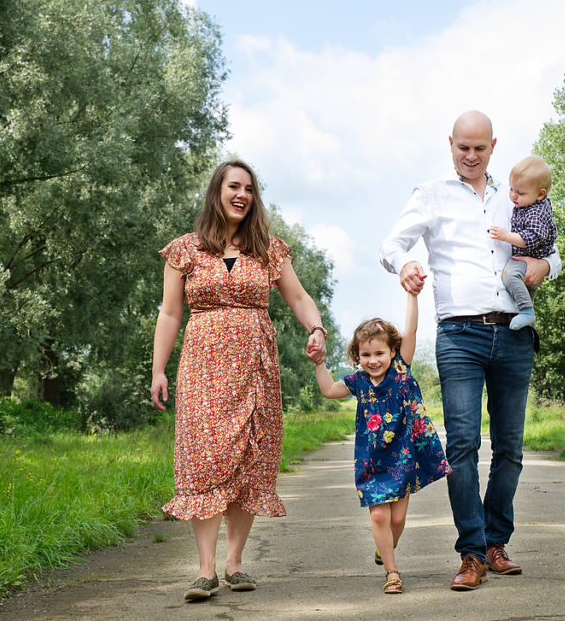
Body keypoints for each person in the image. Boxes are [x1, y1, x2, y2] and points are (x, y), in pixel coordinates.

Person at [379, 110, 562, 591]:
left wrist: (546, 268)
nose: (470, 155)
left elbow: (551, 248)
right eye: (463, 146)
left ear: (493, 147)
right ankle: (472, 554)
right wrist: (405, 267)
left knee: (511, 448)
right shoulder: (431, 194)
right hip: (460, 334)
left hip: (515, 332)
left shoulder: (515, 194)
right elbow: (391, 245)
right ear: (450, 143)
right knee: (461, 445)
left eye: (479, 148)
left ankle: (497, 543)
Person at [150, 159, 328, 602]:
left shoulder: (267, 249)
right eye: (234, 186)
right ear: (217, 191)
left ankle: (234, 563)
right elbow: (171, 312)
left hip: (255, 367)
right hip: (202, 369)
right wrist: (158, 369)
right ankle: (205, 570)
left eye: (249, 188)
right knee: (205, 459)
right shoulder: (186, 250)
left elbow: (300, 296)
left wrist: (316, 329)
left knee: (249, 458)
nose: (242, 195)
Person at [311, 289, 451, 595]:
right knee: (378, 515)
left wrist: (412, 295)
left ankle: (385, 546)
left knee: (397, 519)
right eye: (365, 355)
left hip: (404, 455)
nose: (373, 360)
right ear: (357, 356)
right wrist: (320, 363)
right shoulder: (358, 381)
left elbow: (411, 329)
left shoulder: (401, 369)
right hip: (372, 458)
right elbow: (329, 391)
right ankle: (392, 571)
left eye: (379, 353)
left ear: (392, 351)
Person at [488, 155, 558, 330]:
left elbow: (530, 238)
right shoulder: (527, 204)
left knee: (510, 276)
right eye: (512, 189)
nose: (513, 196)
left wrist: (506, 236)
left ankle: (527, 312)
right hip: (528, 262)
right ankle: (529, 323)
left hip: (528, 258)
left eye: (520, 193)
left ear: (540, 194)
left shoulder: (536, 212)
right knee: (527, 292)